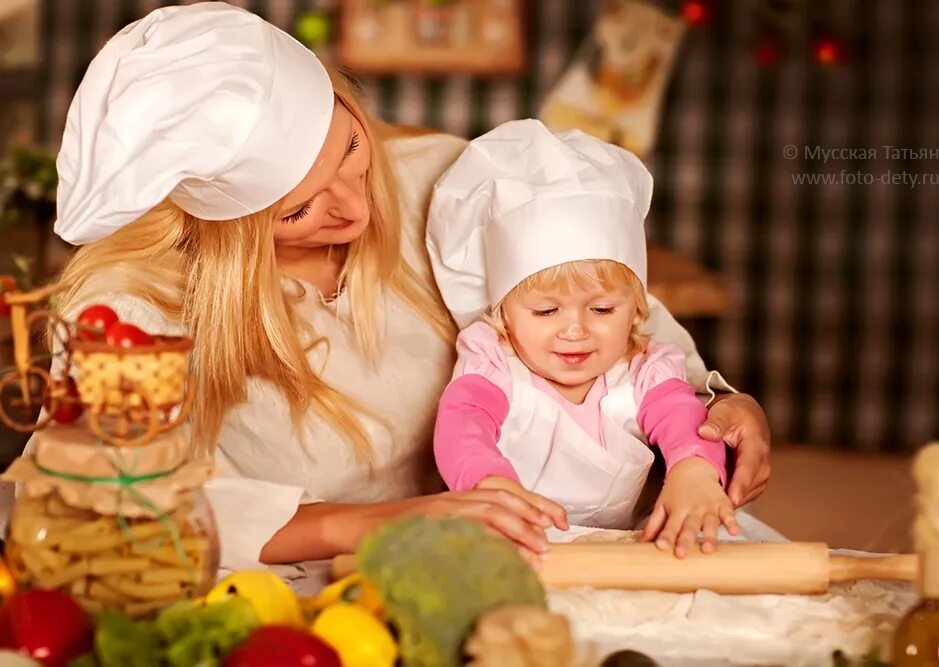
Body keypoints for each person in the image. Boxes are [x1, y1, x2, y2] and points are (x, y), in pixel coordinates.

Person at [0, 2, 771, 584]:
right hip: (322, 587)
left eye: (349, 147)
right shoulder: (131, 305)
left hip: (555, 547)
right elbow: (117, 506)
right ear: (222, 223)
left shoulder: (446, 176)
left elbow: (617, 303)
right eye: (299, 210)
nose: (355, 207)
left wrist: (719, 402)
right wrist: (377, 522)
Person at [429, 120, 737, 558]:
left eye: (602, 309)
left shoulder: (644, 367)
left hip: (621, 551)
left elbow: (680, 414)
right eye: (546, 311)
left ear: (635, 310)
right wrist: (487, 483)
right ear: (504, 314)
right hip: (507, 542)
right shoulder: (493, 360)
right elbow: (465, 419)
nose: (575, 330)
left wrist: (694, 471)